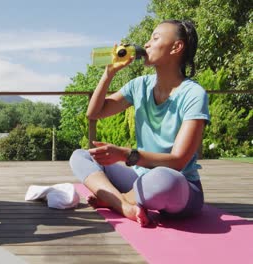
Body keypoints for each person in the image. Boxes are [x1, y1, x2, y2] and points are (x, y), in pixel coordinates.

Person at [69, 19, 209, 226]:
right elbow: (95, 113)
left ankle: (113, 198)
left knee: (163, 178)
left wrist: (126, 154)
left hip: (179, 185)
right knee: (80, 156)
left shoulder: (194, 94)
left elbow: (178, 161)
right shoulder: (139, 85)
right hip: (139, 178)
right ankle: (124, 205)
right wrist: (109, 73)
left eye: (155, 38)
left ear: (176, 47)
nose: (147, 44)